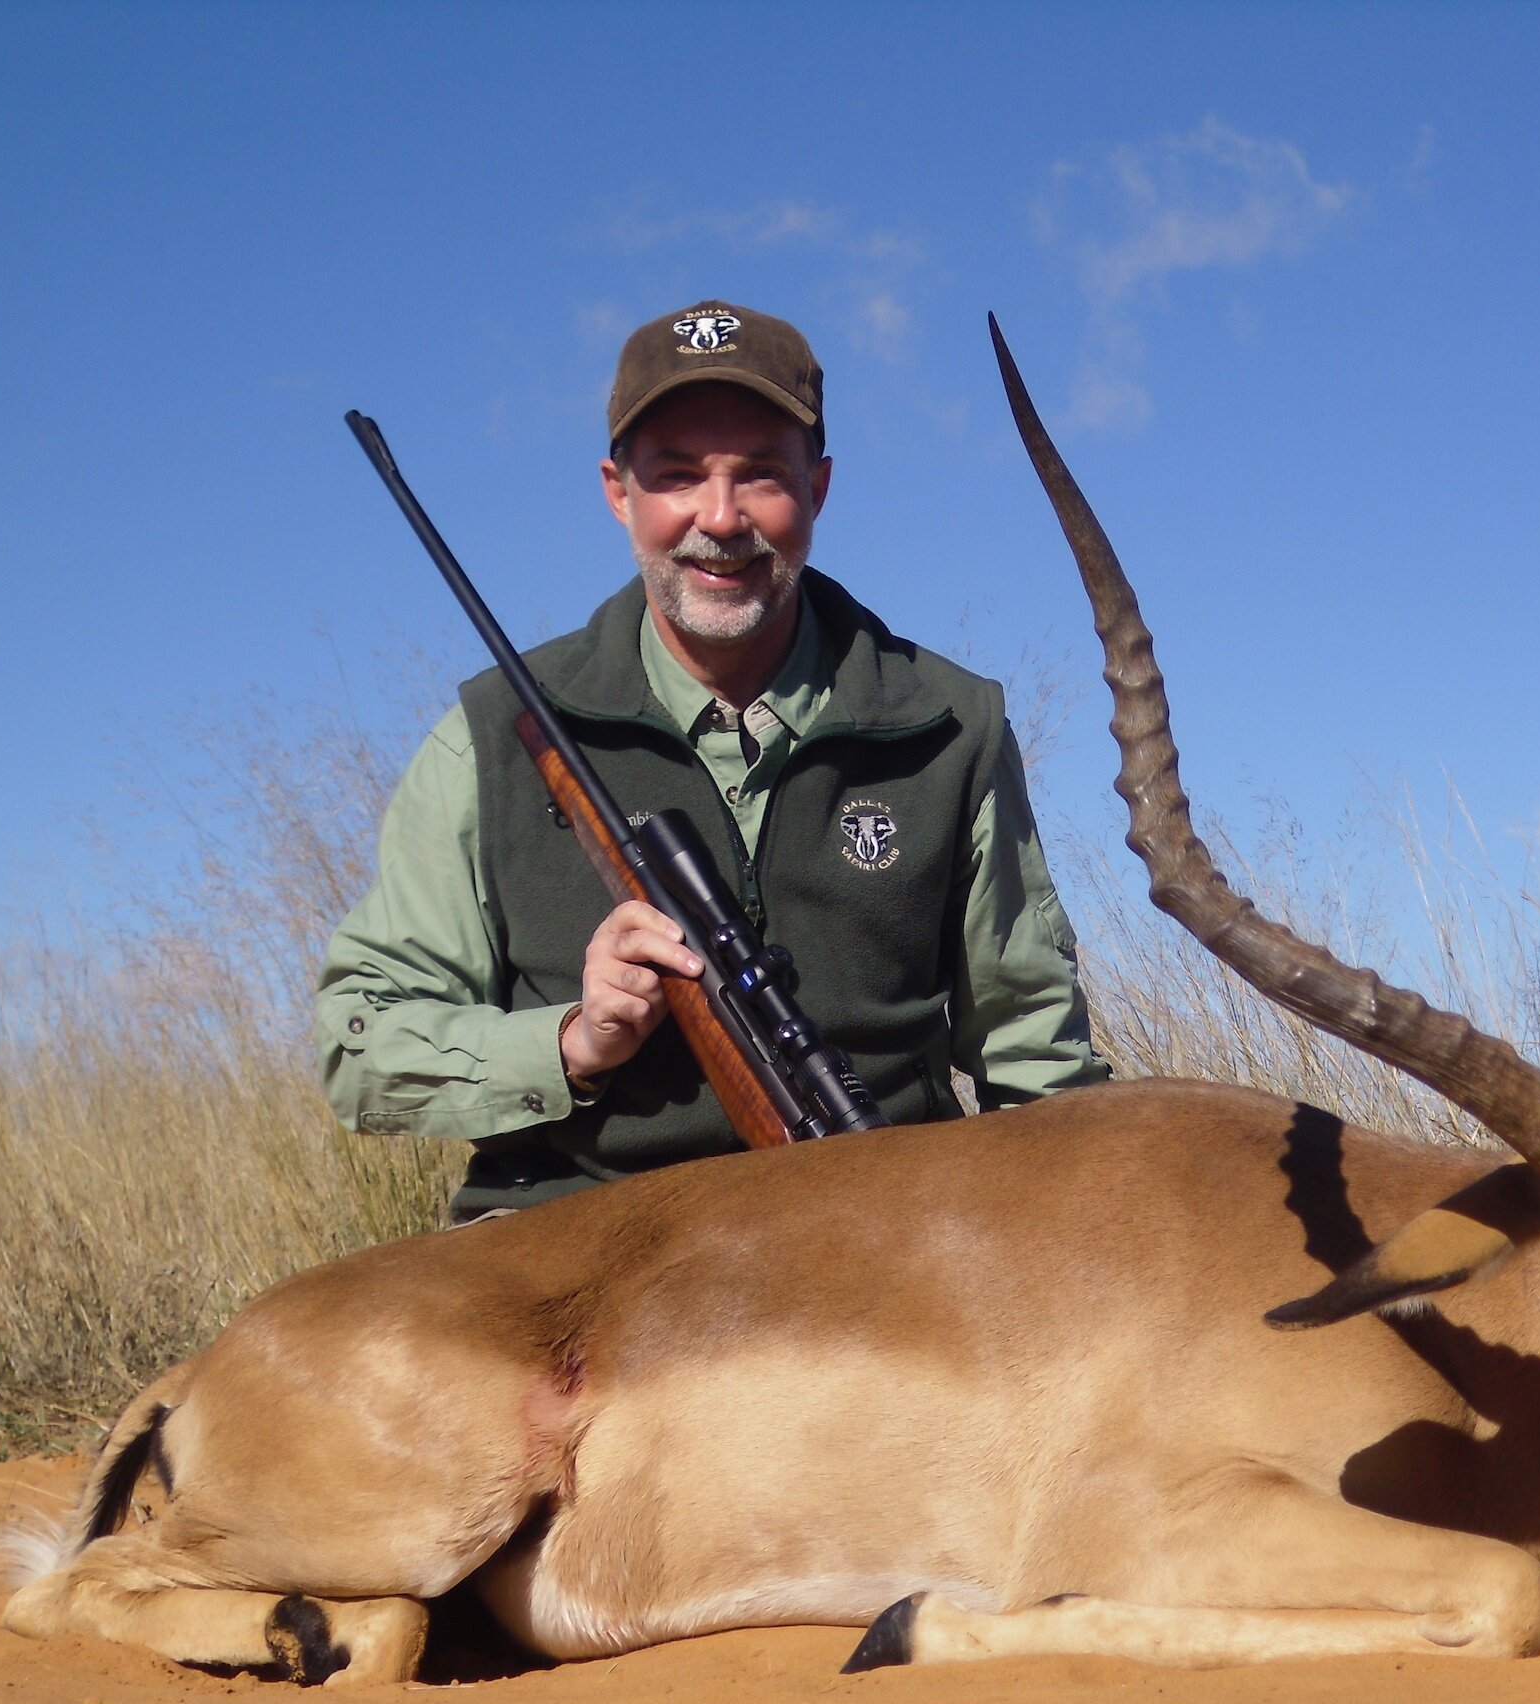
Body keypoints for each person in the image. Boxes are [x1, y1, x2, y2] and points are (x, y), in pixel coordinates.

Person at [319, 300, 1107, 1223]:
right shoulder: (489, 737)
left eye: (761, 475)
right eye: (679, 476)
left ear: (817, 487)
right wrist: (572, 1042)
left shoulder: (950, 725)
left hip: (882, 1236)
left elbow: (1034, 1053)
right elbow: (357, 1050)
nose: (720, 518)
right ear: (620, 491)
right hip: (571, 1248)